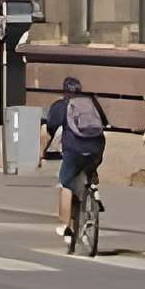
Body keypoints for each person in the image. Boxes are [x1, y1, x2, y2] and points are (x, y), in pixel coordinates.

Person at [40, 74, 106, 246]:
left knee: (66, 184)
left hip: (74, 151)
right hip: (96, 148)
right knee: (91, 163)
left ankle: (64, 225)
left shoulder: (61, 106)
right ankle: (93, 188)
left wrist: (41, 154)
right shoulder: (92, 103)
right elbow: (103, 124)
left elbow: (48, 133)